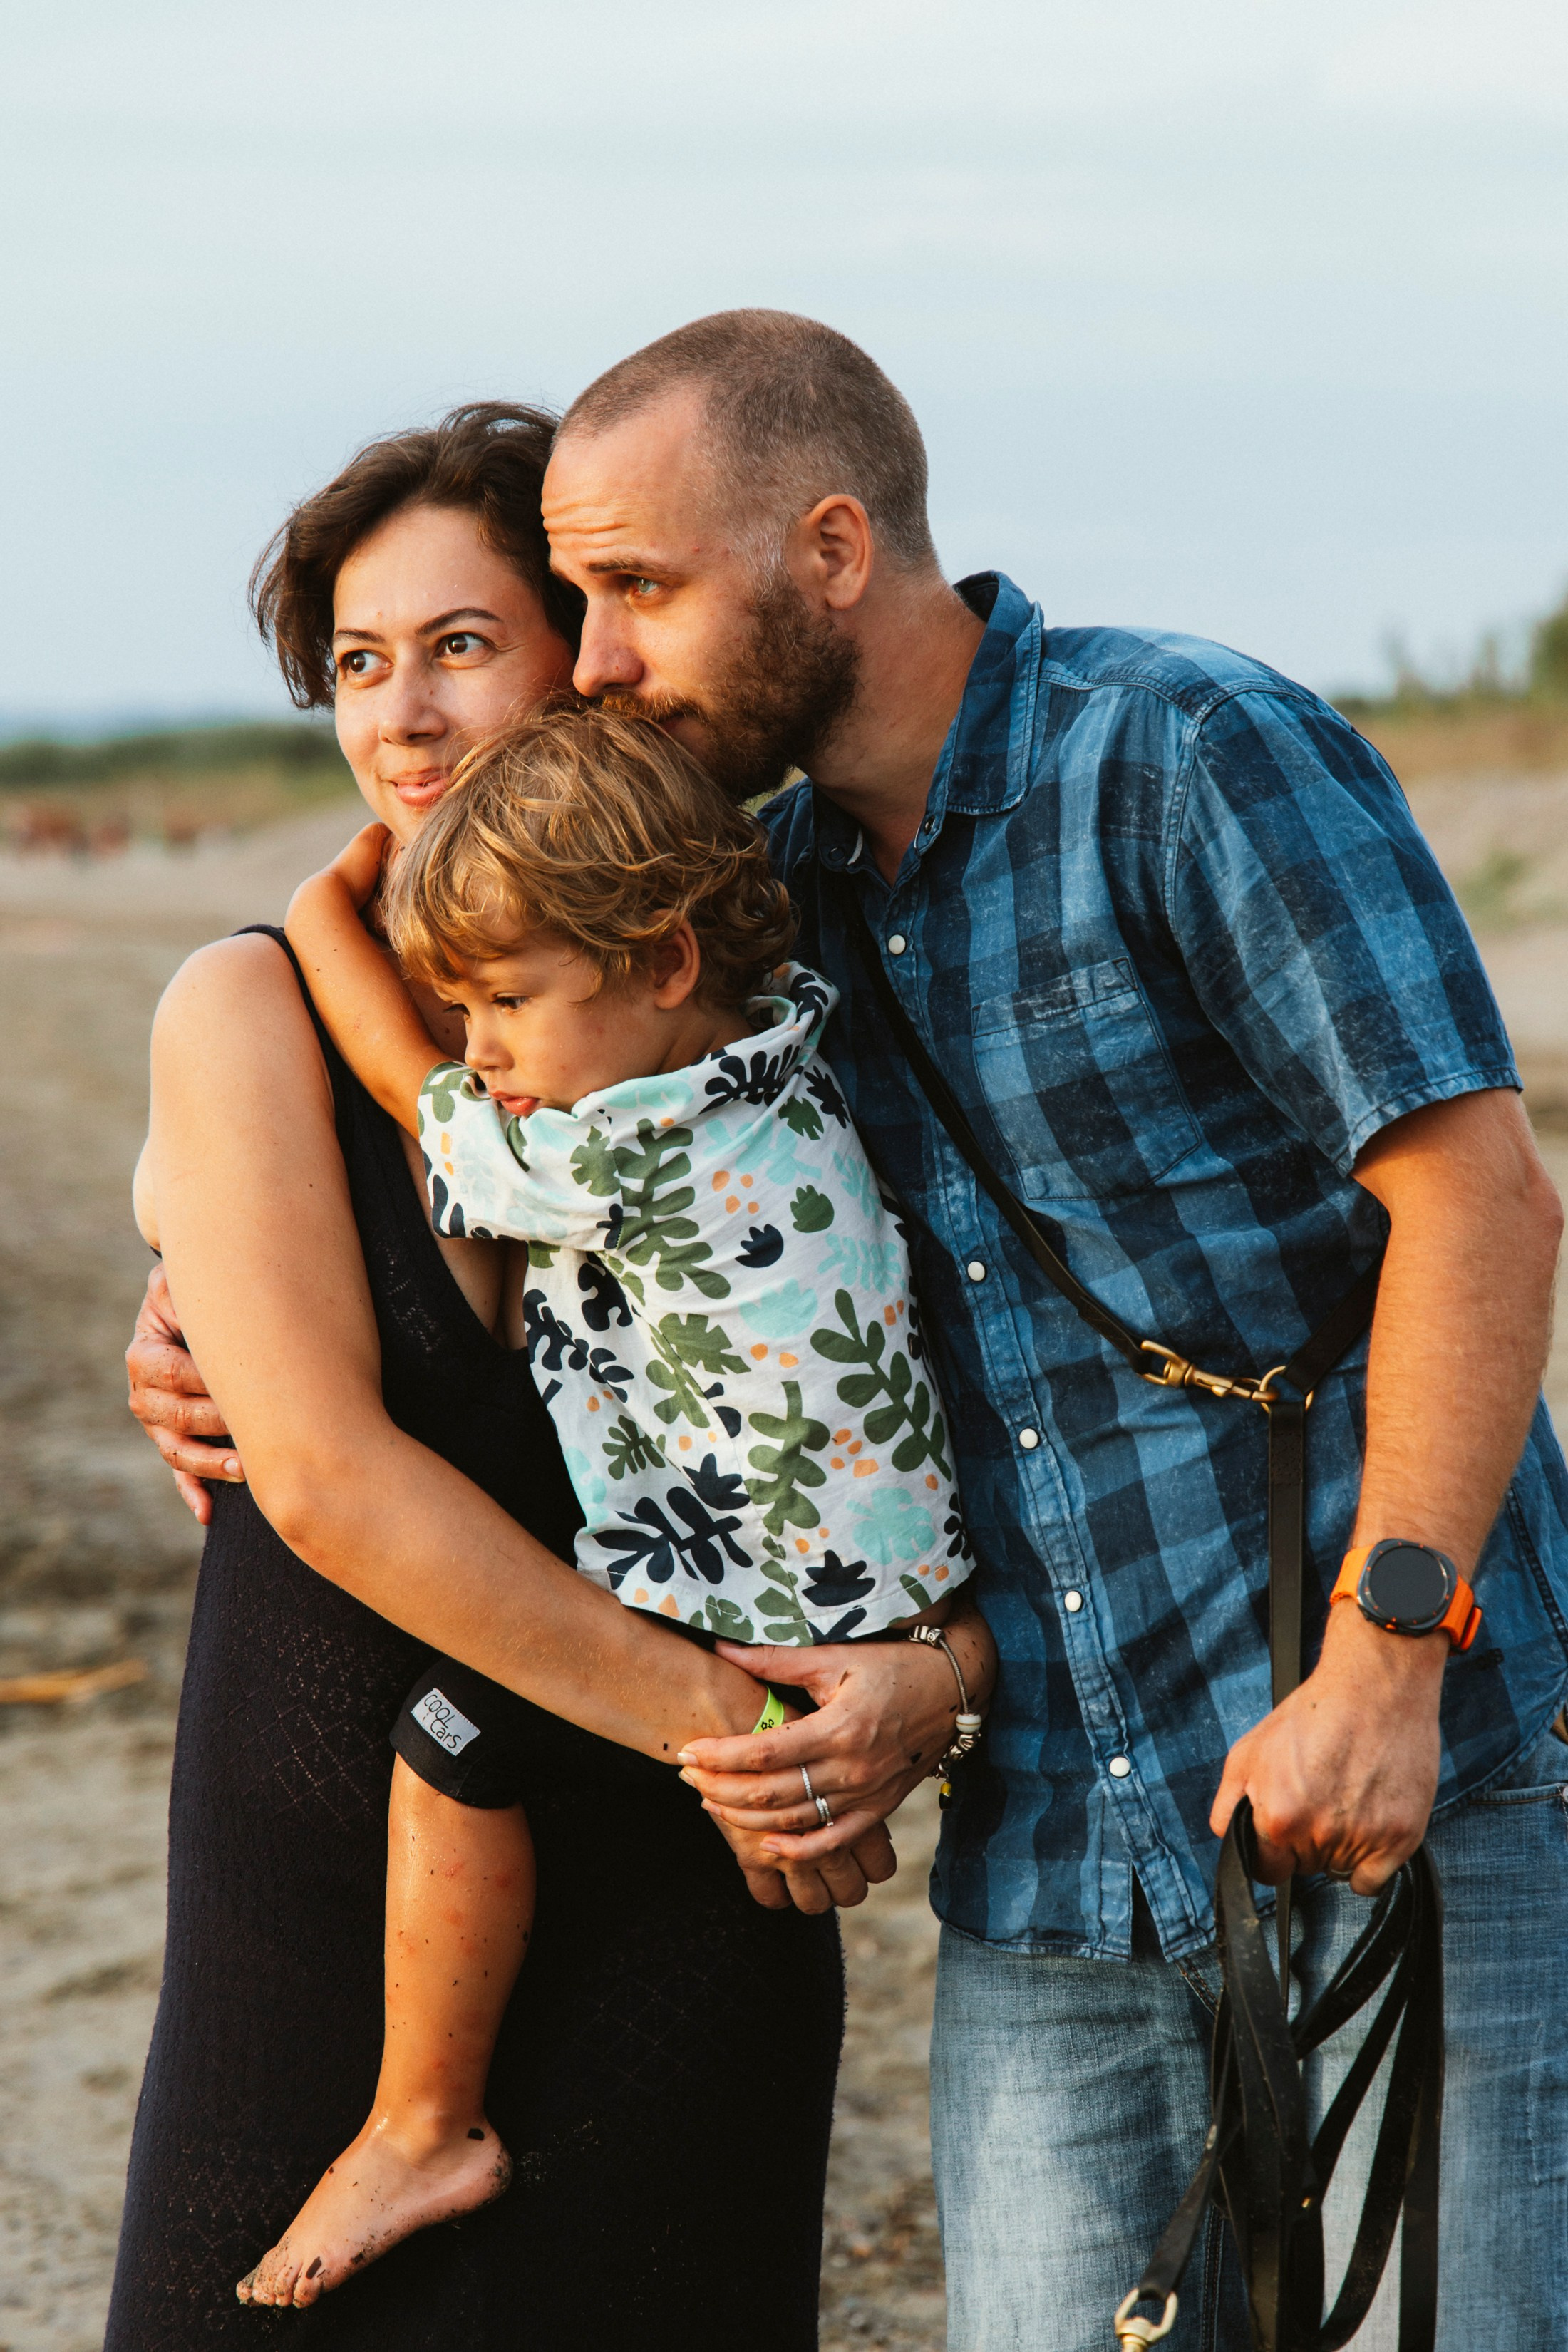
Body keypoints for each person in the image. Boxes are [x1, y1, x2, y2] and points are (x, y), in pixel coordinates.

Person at [534, 314, 1566, 2347]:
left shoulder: (1185, 751)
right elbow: (487, 998)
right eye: (577, 599)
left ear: (833, 546)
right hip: (1050, 1868)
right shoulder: (752, 888)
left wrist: (1386, 1663)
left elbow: (1480, 1192)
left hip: (1408, 1790)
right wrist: (187, 1254)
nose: (592, 658)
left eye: (635, 586)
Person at [115, 400, 994, 2352]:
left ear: (590, 658)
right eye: (356, 663)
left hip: (693, 1880)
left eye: (459, 643)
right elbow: (329, 1477)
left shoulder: (753, 958)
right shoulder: (250, 994)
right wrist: (737, 1729)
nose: (403, 717)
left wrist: (902, 1692)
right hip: (355, 1848)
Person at [231, 702, 972, 2306]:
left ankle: (424, 2121)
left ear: (659, 961)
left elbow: (402, 1077)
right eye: (471, 1005)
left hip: (765, 1610)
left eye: (506, 1001)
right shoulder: (778, 1052)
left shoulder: (623, 1145)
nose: (486, 1043)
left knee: (448, 1748)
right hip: (881, 1573)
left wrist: (315, 917)